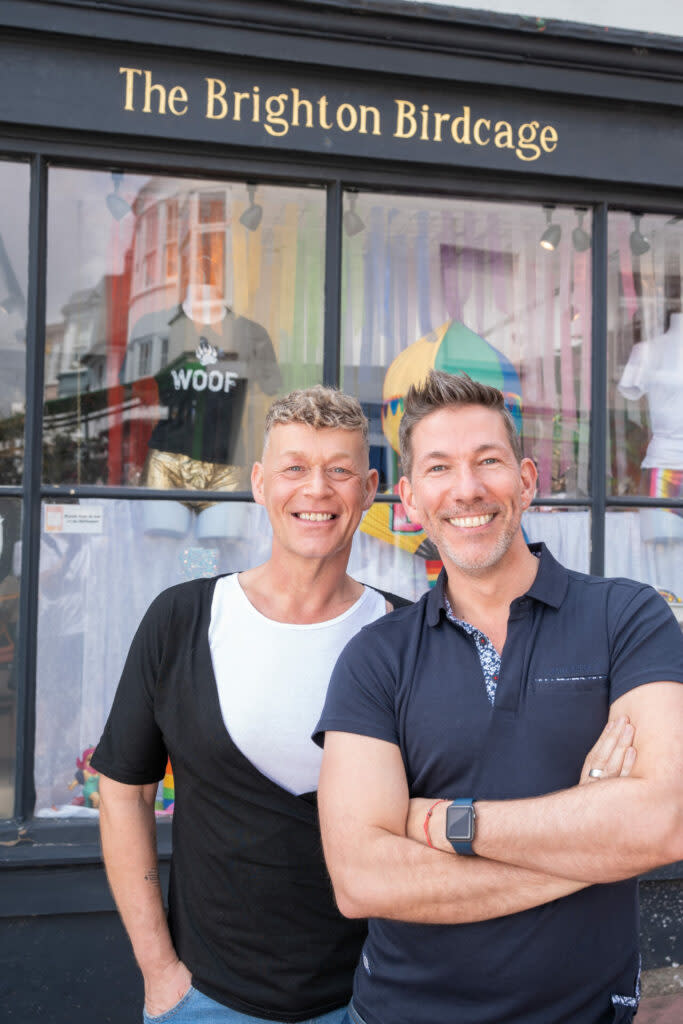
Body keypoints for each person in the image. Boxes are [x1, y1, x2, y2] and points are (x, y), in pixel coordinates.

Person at [315, 370, 683, 1024]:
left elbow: (662, 822)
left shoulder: (625, 616)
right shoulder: (376, 657)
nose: (466, 489)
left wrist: (444, 823)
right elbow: (361, 880)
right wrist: (588, 845)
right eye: (438, 468)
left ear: (527, 480)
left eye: (487, 461)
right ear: (408, 498)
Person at [91, 385, 411, 1024]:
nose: (316, 490)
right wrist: (160, 974)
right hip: (206, 1001)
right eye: (294, 468)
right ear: (261, 483)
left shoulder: (406, 636)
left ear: (368, 488)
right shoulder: (182, 619)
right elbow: (124, 792)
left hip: (378, 998)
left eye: (339, 470)